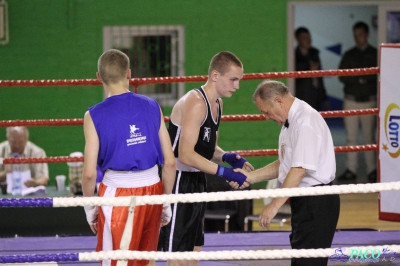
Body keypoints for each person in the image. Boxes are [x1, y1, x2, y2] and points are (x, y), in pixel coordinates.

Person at [158, 51, 254, 266]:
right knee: (178, 253)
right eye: (233, 79)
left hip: (195, 179)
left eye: (239, 80)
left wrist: (228, 157)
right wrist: (224, 173)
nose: (237, 86)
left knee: (194, 249)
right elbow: (185, 154)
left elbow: (207, 149)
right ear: (215, 75)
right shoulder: (196, 103)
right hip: (177, 179)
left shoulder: (217, 103)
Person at [82, 49, 176, 266]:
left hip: (116, 196)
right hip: (153, 189)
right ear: (129, 73)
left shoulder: (93, 115)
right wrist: (165, 202)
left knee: (116, 262)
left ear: (99, 77)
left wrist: (89, 209)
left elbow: (88, 174)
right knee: (146, 259)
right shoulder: (153, 106)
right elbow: (170, 162)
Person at [232, 80, 340, 266]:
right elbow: (286, 164)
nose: (266, 117)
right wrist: (251, 177)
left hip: (316, 201)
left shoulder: (305, 122)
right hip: (305, 201)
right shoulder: (290, 122)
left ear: (279, 101)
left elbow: (298, 171)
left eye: (266, 111)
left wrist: (274, 205)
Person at [338, 21, 378, 183]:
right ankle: (351, 170)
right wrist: (362, 79)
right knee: (351, 138)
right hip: (351, 100)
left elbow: (376, 77)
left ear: (367, 35)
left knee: (369, 138)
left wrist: (356, 78)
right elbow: (342, 76)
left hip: (369, 101)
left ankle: (372, 170)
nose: (357, 38)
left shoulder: (375, 53)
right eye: (355, 35)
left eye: (360, 34)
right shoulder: (349, 54)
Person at [294, 27, 330, 111]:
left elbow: (319, 78)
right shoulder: (294, 56)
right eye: (304, 38)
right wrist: (308, 69)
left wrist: (324, 98)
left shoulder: (314, 54)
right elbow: (295, 76)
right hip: (301, 99)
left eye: (309, 37)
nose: (308, 40)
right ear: (298, 39)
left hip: (315, 99)